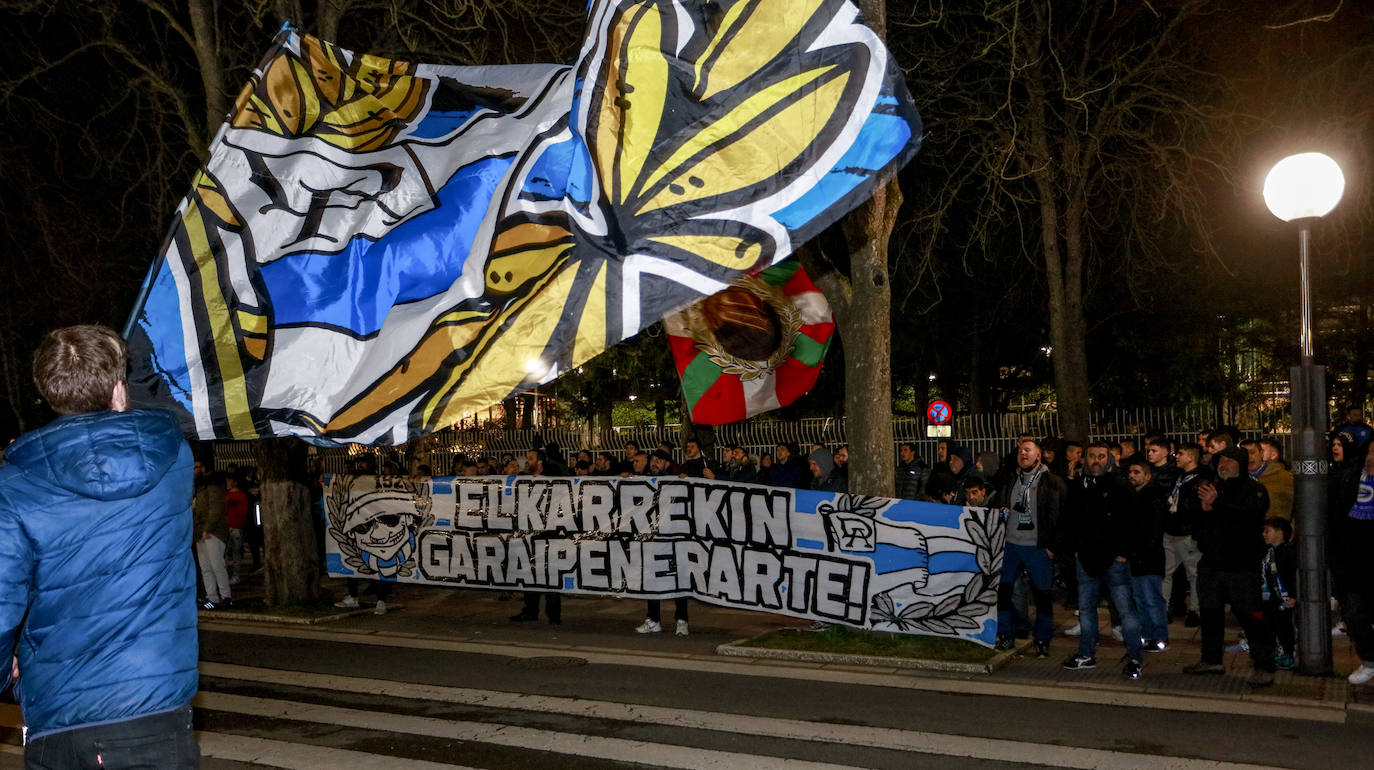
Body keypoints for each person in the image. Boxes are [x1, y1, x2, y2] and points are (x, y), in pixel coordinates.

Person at [0, 325, 199, 766]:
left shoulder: (14, 485)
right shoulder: (173, 460)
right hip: (156, 705)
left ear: (47, 392)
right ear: (118, 389)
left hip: (60, 713)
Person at [1183, 446, 1278, 685]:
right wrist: (1202, 509)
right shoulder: (1210, 488)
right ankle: (1212, 660)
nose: (1223, 465)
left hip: (1242, 566)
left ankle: (1264, 664)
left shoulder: (1254, 490)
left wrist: (1217, 505)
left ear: (1241, 464)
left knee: (1251, 615)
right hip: (1212, 564)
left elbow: (1248, 518)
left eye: (1229, 460)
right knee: (1210, 614)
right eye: (1220, 461)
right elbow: (1194, 519)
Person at [1059, 443, 1145, 678]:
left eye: (1101, 456)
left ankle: (1135, 657)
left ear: (1109, 460)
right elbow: (1070, 520)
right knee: (1086, 610)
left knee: (1126, 611)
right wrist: (1075, 549)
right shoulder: (1078, 487)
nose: (1096, 460)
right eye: (1092, 456)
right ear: (1084, 459)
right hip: (1086, 561)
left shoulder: (1120, 485)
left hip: (1115, 561)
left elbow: (1134, 522)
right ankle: (1086, 653)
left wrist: (1124, 553)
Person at [995, 438, 1066, 655]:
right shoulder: (1011, 479)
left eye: (1028, 450)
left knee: (1042, 596)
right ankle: (1006, 634)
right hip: (1011, 545)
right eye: (1020, 451)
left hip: (1037, 547)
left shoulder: (1052, 483)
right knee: (1003, 592)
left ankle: (1043, 640)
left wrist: (1053, 545)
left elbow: (1062, 517)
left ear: (1039, 456)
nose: (1023, 454)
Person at [1333, 441, 1374, 685]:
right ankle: (1370, 661)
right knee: (1355, 614)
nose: (1371, 458)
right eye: (1370, 452)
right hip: (1355, 561)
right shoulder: (1350, 478)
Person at [1163, 443, 1212, 628]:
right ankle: (1164, 608)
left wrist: (1192, 527)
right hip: (1172, 531)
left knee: (1194, 573)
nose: (1177, 457)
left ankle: (1195, 610)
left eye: (1181, 454)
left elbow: (1197, 508)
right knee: (1166, 573)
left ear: (1191, 457)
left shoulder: (1201, 479)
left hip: (1187, 533)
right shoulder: (1180, 476)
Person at [1124, 455, 1169, 653]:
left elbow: (1152, 530)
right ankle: (1147, 634)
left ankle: (1159, 636)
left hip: (1148, 558)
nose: (1132, 476)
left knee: (1151, 599)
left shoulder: (1152, 499)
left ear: (1148, 476)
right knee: (1141, 599)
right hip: (1137, 557)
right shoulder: (1134, 497)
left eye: (1137, 473)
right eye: (1130, 472)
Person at [193, 459, 233, 610]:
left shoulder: (213, 486)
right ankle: (212, 598)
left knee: (216, 565)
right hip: (202, 532)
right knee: (206, 567)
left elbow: (216, 509)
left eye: (197, 467)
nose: (195, 470)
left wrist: (207, 529)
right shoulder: (203, 487)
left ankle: (225, 597)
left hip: (212, 532)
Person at [1260, 517, 1298, 670]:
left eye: (1267, 531)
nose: (1264, 534)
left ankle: (1288, 654)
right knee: (1269, 625)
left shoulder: (1287, 553)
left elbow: (1292, 576)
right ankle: (1273, 652)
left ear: (1280, 533)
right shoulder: (1268, 552)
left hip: (1283, 599)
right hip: (1269, 598)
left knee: (1285, 627)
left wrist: (1294, 595)